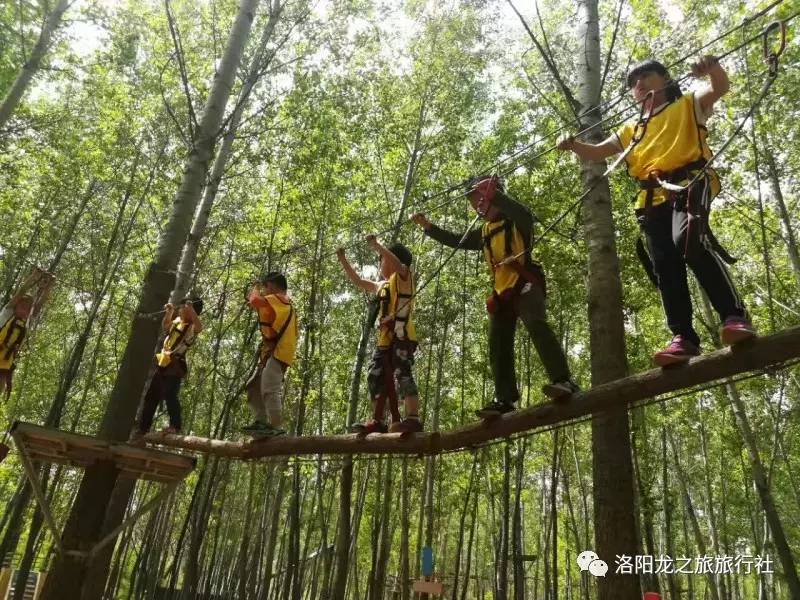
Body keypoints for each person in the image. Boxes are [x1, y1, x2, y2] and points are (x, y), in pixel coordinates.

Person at [557, 56, 755, 366]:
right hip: (651, 200)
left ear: (665, 80)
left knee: (688, 240)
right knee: (665, 266)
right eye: (634, 83)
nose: (639, 84)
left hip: (691, 182)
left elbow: (720, 87)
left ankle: (734, 315)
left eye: (646, 76)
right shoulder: (630, 130)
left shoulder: (688, 103)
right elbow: (598, 152)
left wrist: (711, 68)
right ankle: (684, 338)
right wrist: (572, 145)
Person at [412, 176, 578, 417]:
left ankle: (564, 380)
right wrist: (429, 227)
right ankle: (505, 398)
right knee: (498, 344)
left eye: (480, 200)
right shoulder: (484, 232)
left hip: (525, 283)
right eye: (474, 203)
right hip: (502, 292)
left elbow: (523, 212)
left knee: (537, 326)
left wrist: (492, 192)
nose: (476, 207)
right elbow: (456, 240)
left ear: (494, 197)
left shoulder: (517, 220)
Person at [337, 236, 422, 434]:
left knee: (402, 374)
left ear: (392, 261)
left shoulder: (404, 278)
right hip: (384, 342)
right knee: (375, 376)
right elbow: (358, 281)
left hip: (401, 337)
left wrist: (377, 246)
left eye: (382, 259)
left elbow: (398, 265)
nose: (380, 263)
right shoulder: (381, 285)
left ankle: (412, 417)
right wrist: (343, 259)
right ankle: (379, 419)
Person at [133, 296, 203, 438]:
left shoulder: (192, 327)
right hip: (163, 363)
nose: (181, 310)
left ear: (191, 310)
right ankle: (143, 428)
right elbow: (166, 326)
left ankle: (175, 426)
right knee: (151, 397)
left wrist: (191, 309)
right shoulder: (177, 321)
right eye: (182, 307)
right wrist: (169, 312)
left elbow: (199, 327)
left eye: (184, 308)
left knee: (170, 395)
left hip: (176, 365)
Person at [242, 272, 298, 437]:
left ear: (272, 286)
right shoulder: (275, 301)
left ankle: (275, 426)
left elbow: (254, 300)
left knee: (269, 386)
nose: (264, 291)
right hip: (271, 352)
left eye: (265, 287)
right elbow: (252, 301)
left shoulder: (280, 298)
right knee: (254, 386)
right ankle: (261, 422)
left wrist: (256, 287)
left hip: (280, 351)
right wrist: (256, 287)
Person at [0, 267, 55, 397]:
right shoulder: (7, 312)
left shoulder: (26, 320)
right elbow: (21, 292)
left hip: (4, 362)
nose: (25, 309)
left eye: (28, 307)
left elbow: (40, 303)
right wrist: (34, 277)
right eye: (23, 305)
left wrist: (49, 286)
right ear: (17, 305)